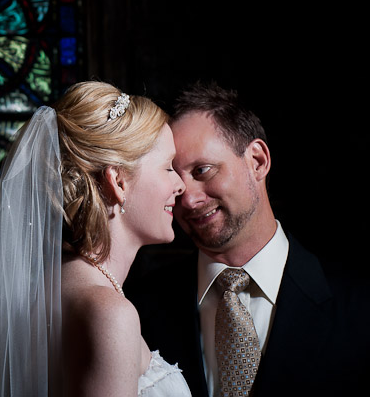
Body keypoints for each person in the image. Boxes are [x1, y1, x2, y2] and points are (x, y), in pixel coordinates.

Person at [0, 81, 191, 396]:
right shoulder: (109, 314)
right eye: (168, 168)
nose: (180, 185)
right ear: (118, 181)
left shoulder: (51, 287)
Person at [128, 83, 370, 396]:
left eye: (202, 170)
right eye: (173, 178)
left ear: (257, 160)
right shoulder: (137, 309)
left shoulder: (360, 306)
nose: (187, 200)